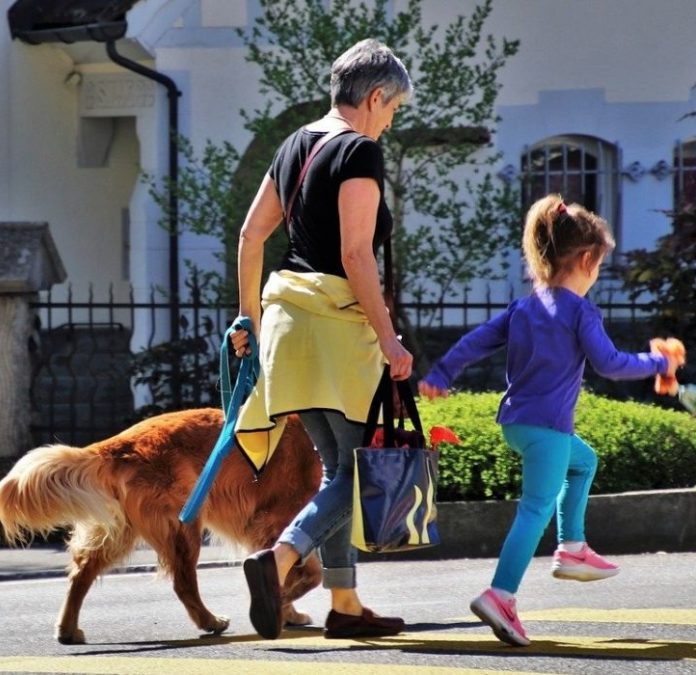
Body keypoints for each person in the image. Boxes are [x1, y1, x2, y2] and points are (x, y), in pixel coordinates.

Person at [418, 194, 684, 647]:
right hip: (547, 430)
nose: (597, 273)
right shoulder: (580, 311)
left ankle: (573, 547)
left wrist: (442, 373)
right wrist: (659, 363)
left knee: (583, 462)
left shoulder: (524, 307)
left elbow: (476, 340)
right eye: (598, 264)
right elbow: (610, 364)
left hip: (517, 425)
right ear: (585, 259)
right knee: (535, 508)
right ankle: (501, 594)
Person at [228, 39, 413, 641]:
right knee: (360, 473)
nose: (390, 121)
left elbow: (252, 236)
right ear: (376, 95)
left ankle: (347, 606)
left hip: (287, 323)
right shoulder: (359, 151)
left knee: (338, 468)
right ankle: (279, 560)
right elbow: (355, 253)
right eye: (393, 109)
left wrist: (249, 322)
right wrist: (390, 340)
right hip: (336, 325)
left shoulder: (294, 145)